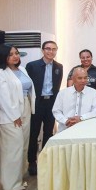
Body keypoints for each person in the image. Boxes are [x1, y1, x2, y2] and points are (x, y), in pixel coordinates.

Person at [0, 44, 36, 190]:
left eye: (16, 53)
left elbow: (29, 90)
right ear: (3, 56)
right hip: (9, 114)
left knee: (23, 145)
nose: (15, 56)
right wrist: (14, 115)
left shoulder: (22, 70)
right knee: (12, 149)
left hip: (25, 107)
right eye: (10, 54)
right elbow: (2, 97)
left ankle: (19, 178)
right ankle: (10, 184)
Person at [26, 41, 63, 176]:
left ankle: (46, 159)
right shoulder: (32, 66)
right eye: (48, 49)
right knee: (34, 133)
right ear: (43, 50)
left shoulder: (59, 66)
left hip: (51, 104)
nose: (51, 51)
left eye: (54, 49)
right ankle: (32, 161)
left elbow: (57, 87)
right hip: (37, 103)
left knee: (49, 132)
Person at [53, 67, 96, 132]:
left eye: (85, 78)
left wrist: (81, 118)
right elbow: (56, 111)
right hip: (65, 129)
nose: (83, 80)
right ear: (73, 78)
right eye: (80, 78)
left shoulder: (94, 93)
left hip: (87, 129)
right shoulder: (63, 93)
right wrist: (66, 121)